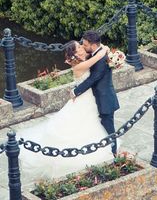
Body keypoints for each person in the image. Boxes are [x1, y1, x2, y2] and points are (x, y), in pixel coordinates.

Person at [18, 39, 117, 180]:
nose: (83, 47)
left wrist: (106, 49)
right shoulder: (80, 66)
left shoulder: (86, 58)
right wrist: (104, 50)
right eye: (79, 47)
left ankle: (108, 147)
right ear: (76, 53)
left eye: (82, 45)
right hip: (84, 99)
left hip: (90, 99)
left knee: (92, 123)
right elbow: (97, 58)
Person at [71, 30, 120, 156]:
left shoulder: (100, 59)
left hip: (105, 99)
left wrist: (76, 91)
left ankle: (114, 153)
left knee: (108, 127)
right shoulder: (96, 53)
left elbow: (93, 79)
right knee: (102, 125)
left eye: (85, 45)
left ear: (93, 45)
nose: (83, 46)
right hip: (99, 98)